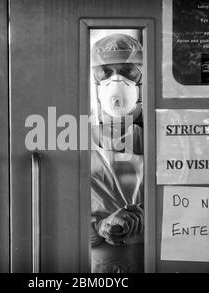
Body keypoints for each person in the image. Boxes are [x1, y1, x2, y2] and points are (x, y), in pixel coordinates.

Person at [89, 33, 144, 273]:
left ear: (143, 75)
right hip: (96, 264)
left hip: (151, 256)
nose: (116, 80)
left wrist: (147, 216)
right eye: (106, 72)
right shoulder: (77, 137)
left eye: (127, 71)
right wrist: (99, 227)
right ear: (93, 77)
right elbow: (60, 215)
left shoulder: (165, 133)